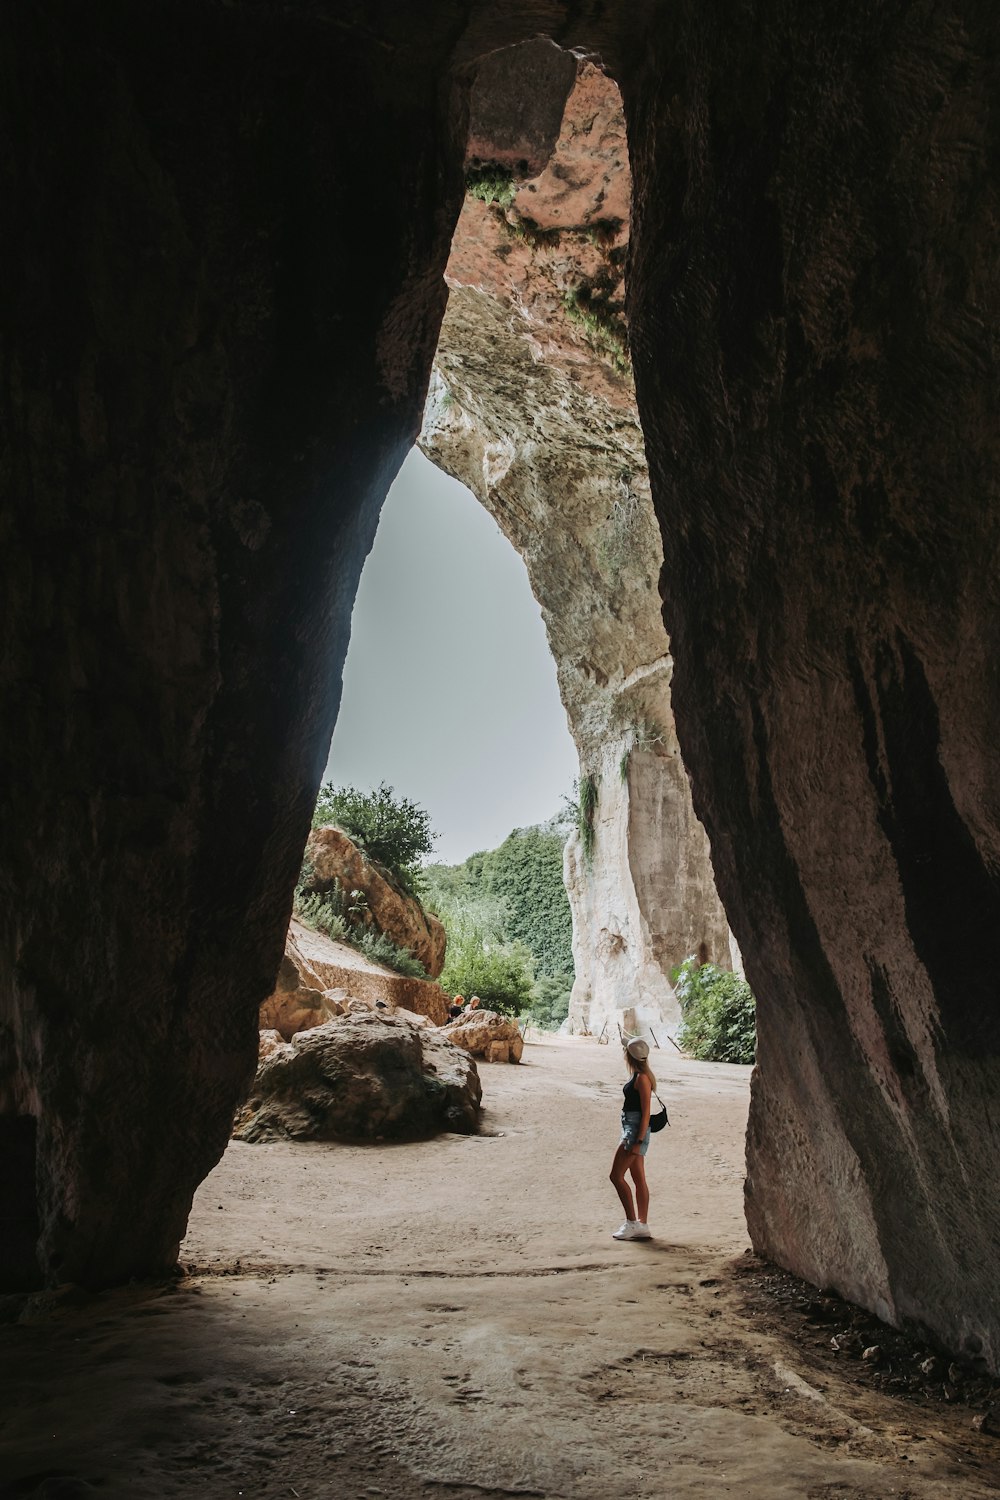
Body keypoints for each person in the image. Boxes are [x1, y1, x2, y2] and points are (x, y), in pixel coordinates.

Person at [609, 1037, 655, 1240]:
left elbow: (646, 1113)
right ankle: (642, 1225)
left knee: (616, 1176)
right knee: (638, 1178)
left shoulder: (642, 1079)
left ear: (630, 1055)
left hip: (634, 1133)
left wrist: (637, 1141)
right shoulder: (639, 1075)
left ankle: (631, 1223)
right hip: (632, 1130)